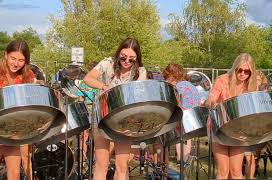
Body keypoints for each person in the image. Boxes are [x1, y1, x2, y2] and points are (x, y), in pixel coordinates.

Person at [83, 37, 147, 180]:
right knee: (101, 164)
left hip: (126, 119)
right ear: (119, 53)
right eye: (123, 57)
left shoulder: (140, 72)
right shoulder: (107, 63)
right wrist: (104, 87)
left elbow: (140, 94)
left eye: (131, 59)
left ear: (137, 59)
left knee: (122, 166)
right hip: (102, 117)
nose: (126, 62)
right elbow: (88, 78)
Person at [205, 53, 264, 179]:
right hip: (219, 127)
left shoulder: (252, 84)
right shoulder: (223, 79)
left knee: (236, 171)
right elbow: (211, 97)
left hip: (239, 129)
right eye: (239, 70)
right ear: (234, 68)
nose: (243, 74)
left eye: (247, 71)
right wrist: (211, 101)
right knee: (223, 171)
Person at [0, 40, 36, 180]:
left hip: (14, 131)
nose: (16, 63)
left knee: (14, 173)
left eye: (21, 60)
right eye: (13, 58)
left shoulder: (28, 75)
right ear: (5, 55)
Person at [162, 63, 201, 166]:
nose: (168, 79)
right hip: (186, 114)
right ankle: (182, 159)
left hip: (184, 113)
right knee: (183, 136)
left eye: (170, 76)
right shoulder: (188, 85)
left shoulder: (181, 85)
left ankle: (182, 159)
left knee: (184, 136)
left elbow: (191, 101)